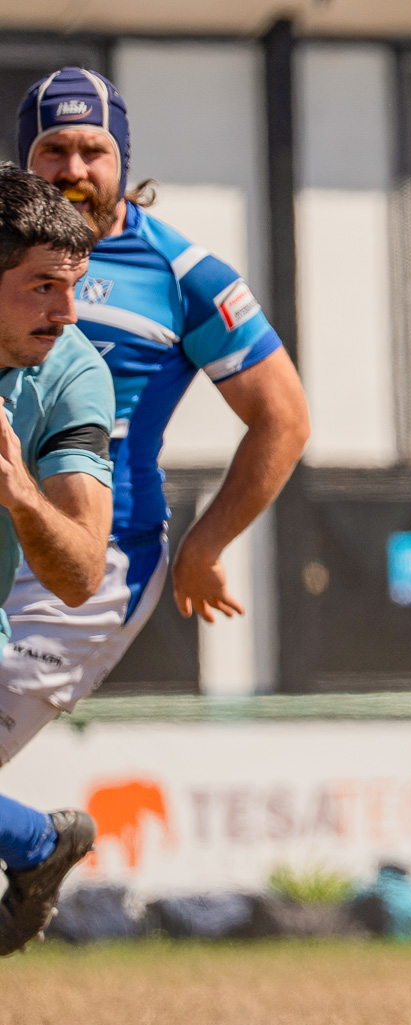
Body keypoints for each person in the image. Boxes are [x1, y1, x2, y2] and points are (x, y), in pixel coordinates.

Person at [2, 68, 308, 759]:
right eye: (53, 150)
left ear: (123, 161)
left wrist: (208, 542)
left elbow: (283, 418)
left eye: (93, 150)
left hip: (98, 555)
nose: (73, 169)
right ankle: (36, 847)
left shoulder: (184, 274)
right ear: (25, 159)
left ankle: (36, 846)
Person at [0, 166, 120, 953]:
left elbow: (79, 572)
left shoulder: (73, 370)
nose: (67, 312)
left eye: (73, 285)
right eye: (44, 286)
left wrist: (17, 490)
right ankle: (36, 843)